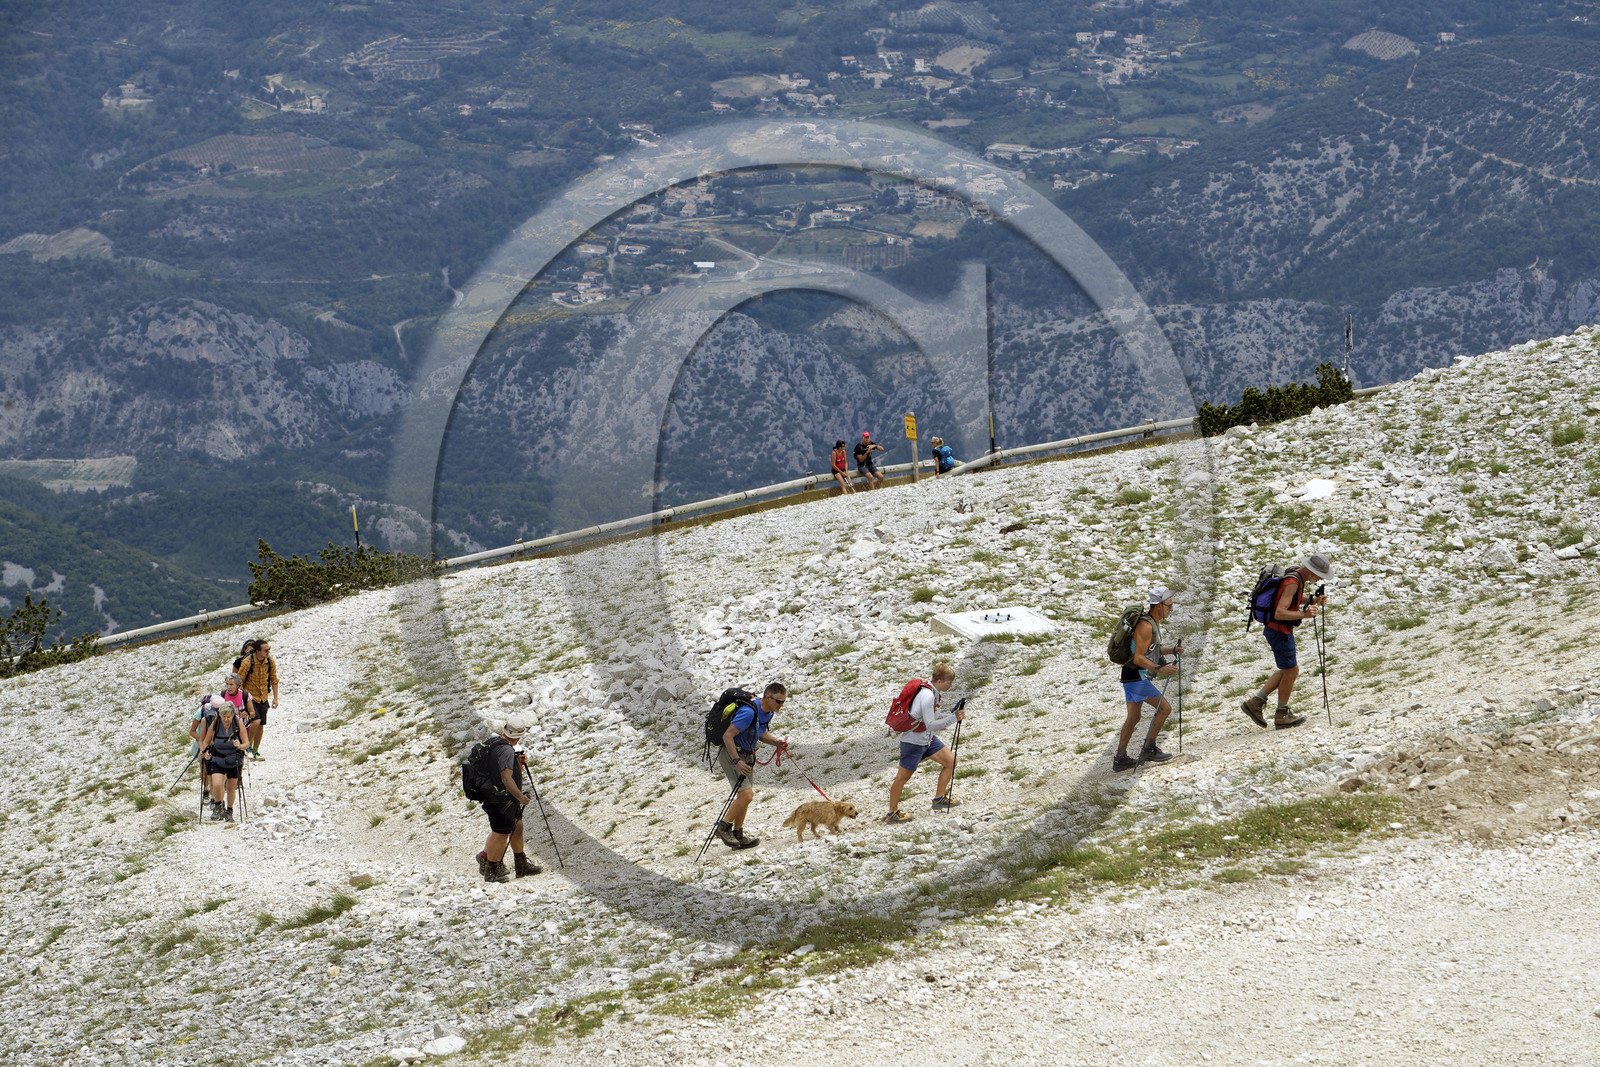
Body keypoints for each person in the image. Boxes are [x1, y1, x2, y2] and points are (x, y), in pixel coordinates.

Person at [1240, 554, 1331, 731]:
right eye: (1320, 574)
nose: (1320, 578)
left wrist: (1313, 600)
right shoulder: (1293, 582)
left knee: (1288, 669)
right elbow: (1280, 613)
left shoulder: (1295, 575)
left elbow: (1292, 599)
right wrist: (1304, 614)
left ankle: (1256, 702)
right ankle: (1281, 714)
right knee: (1291, 670)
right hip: (1279, 630)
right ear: (1312, 571)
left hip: (1277, 630)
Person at [713, 683, 789, 850]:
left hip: (747, 756)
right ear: (767, 697)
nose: (781, 705)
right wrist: (736, 761)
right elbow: (728, 736)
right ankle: (722, 827)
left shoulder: (767, 712)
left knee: (745, 797)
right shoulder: (748, 712)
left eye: (783, 702)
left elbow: (760, 732)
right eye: (778, 701)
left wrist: (776, 742)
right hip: (733, 755)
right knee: (746, 795)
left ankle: (738, 835)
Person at [1114, 587, 1182, 772]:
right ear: (1159, 605)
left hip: (1131, 676)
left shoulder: (1152, 622)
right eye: (1169, 605)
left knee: (1134, 717)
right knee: (1165, 708)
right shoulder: (1146, 625)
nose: (1171, 609)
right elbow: (1139, 658)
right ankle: (1149, 748)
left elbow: (1152, 650)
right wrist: (1161, 668)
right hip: (1136, 677)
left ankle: (1120, 758)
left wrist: (1172, 650)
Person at [885, 663, 964, 822]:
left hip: (927, 739)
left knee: (951, 761)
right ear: (940, 680)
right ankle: (892, 813)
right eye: (949, 683)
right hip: (913, 742)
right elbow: (931, 724)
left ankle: (939, 799)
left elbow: (935, 714)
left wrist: (951, 714)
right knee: (902, 778)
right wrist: (953, 719)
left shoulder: (932, 691)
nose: (951, 686)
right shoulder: (927, 696)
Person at [475, 714, 544, 883]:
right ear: (520, 734)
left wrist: (518, 764)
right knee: (501, 833)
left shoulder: (495, 743)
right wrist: (521, 797)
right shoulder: (506, 750)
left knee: (516, 826)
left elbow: (504, 772)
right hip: (501, 799)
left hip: (496, 796)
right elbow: (506, 778)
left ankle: (521, 865)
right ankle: (491, 871)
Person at [199, 702, 249, 822]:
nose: (226, 719)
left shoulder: (238, 725)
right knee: (216, 784)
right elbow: (206, 742)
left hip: (234, 760)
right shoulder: (215, 724)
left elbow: (246, 744)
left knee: (231, 787)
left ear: (233, 715)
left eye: (228, 717)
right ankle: (218, 805)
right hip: (218, 759)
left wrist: (240, 746)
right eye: (223, 716)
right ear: (220, 715)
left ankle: (229, 810)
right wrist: (205, 752)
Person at [237, 638, 279, 760]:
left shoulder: (270, 661)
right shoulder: (247, 663)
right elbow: (239, 681)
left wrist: (275, 698)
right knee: (255, 721)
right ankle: (247, 747)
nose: (268, 652)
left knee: (261, 724)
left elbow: (274, 679)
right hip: (250, 696)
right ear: (257, 651)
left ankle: (255, 750)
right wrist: (242, 699)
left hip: (263, 696)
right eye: (265, 650)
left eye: (269, 649)